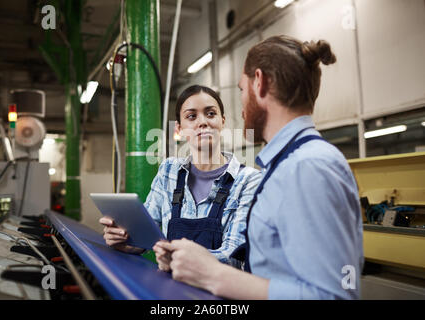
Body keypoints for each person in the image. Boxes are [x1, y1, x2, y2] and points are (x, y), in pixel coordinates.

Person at [155, 35, 364, 300]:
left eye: (242, 89)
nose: (241, 107)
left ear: (259, 82)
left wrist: (212, 274)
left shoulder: (309, 168)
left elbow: (336, 296)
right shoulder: (286, 166)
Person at [100, 85, 262, 269]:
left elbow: (232, 255)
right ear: (179, 128)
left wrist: (176, 257)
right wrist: (125, 241)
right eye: (191, 116)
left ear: (222, 121)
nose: (202, 122)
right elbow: (145, 236)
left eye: (210, 114)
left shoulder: (248, 180)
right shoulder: (169, 170)